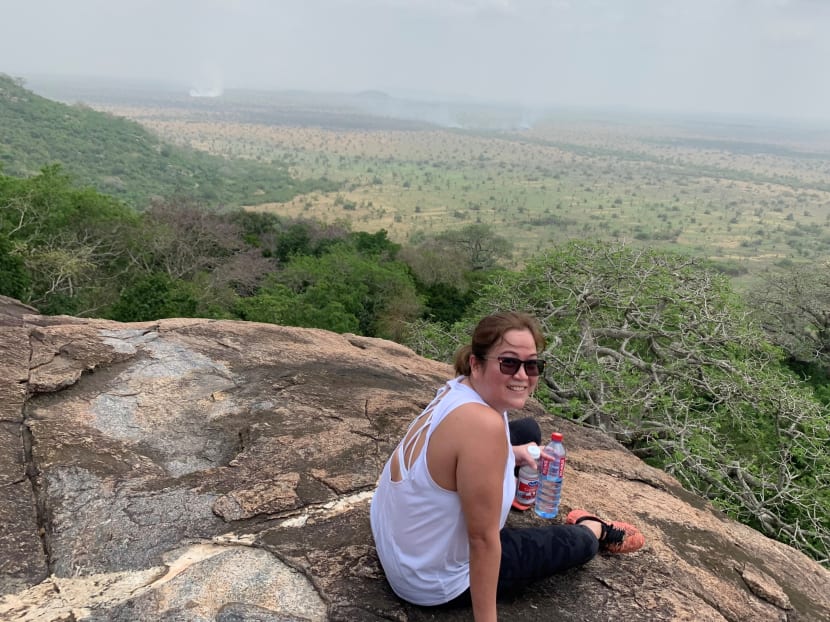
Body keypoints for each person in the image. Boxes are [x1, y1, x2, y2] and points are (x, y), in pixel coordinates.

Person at [370, 311, 644, 621]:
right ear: (476, 362)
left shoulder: (457, 389)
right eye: (509, 363)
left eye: (532, 365)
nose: (523, 376)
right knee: (577, 544)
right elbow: (483, 541)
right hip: (430, 577)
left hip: (397, 540)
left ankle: (509, 493)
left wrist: (517, 454)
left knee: (527, 430)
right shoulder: (482, 426)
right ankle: (596, 527)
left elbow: (453, 455)